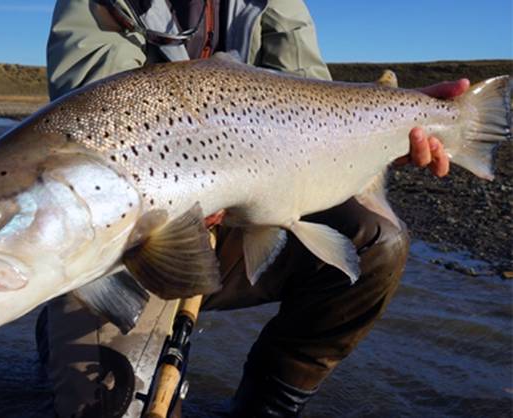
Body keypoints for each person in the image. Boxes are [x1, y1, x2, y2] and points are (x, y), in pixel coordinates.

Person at [39, 1, 468, 416]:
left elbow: (310, 100)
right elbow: (96, 118)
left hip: (248, 210)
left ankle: (270, 404)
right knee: (112, 403)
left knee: (377, 241)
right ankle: (61, 318)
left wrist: (384, 133)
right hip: (130, 234)